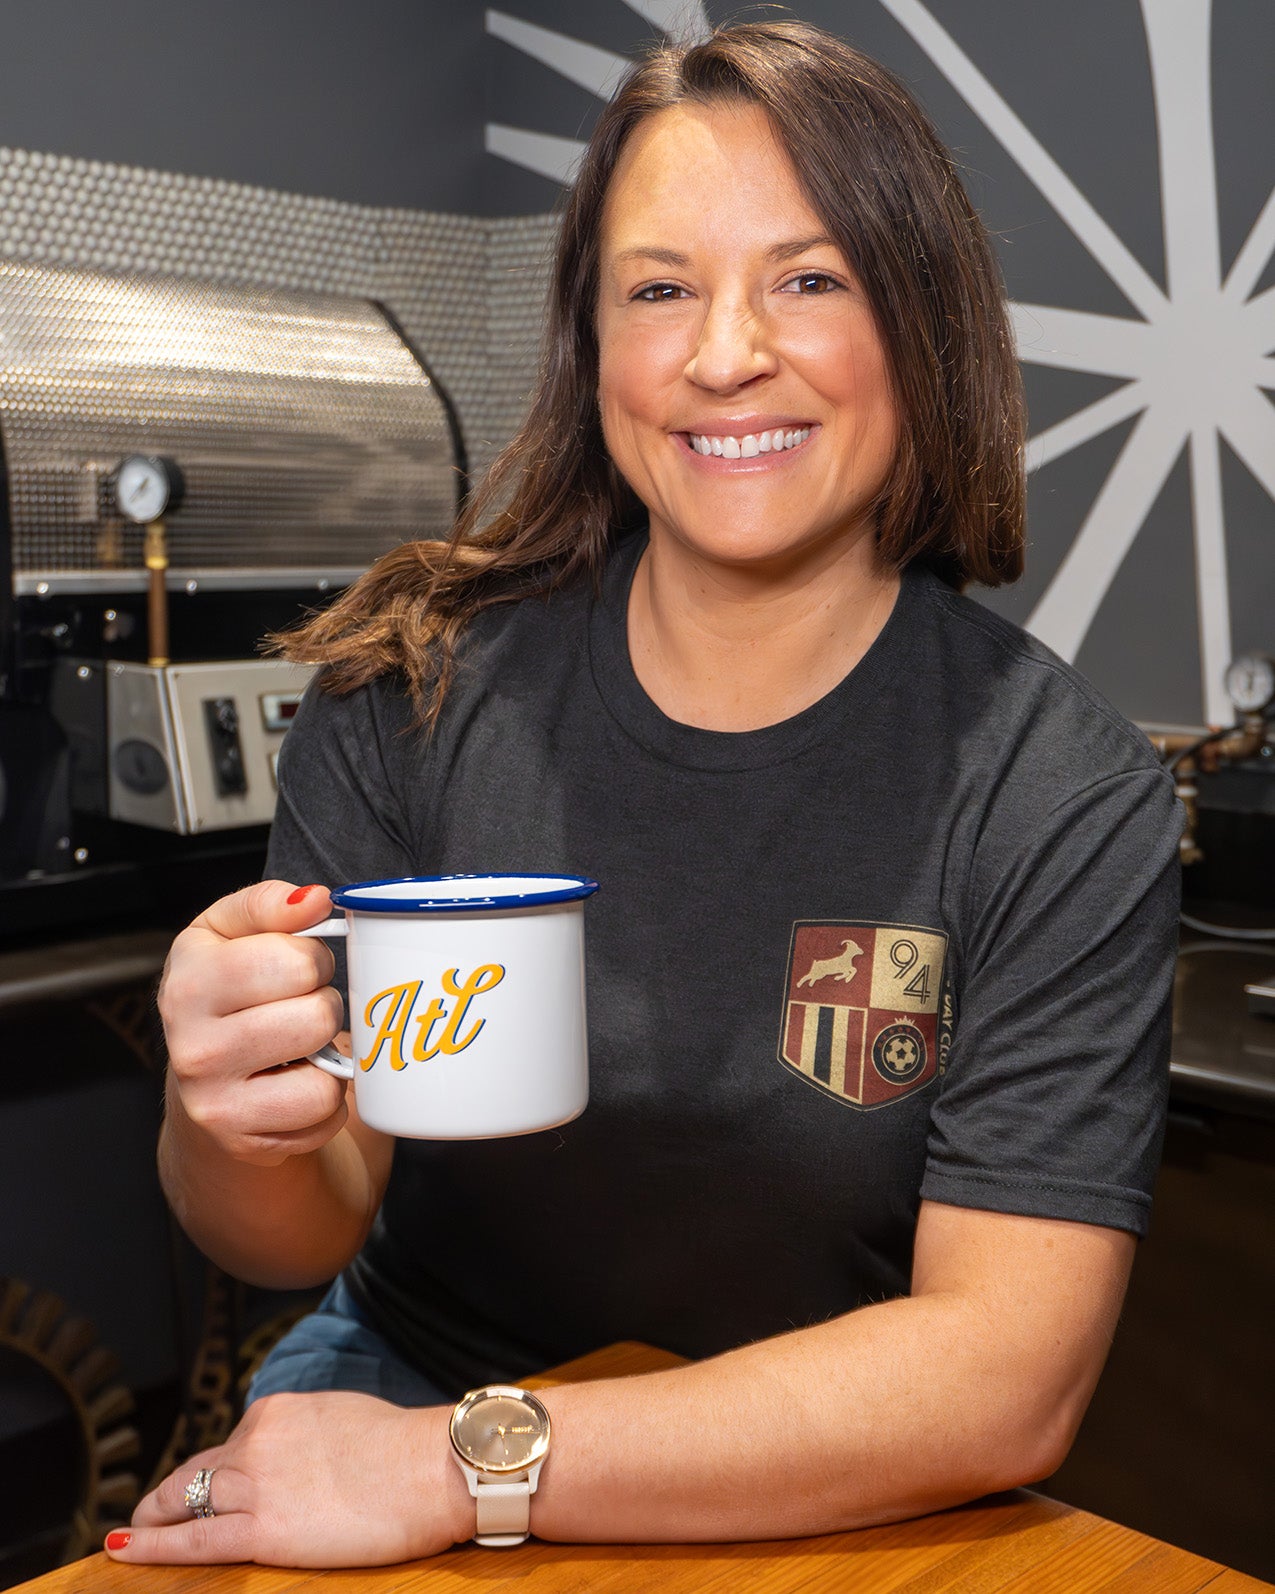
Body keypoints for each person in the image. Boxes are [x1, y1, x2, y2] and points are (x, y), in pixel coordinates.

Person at [106, 20, 1181, 1569]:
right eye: (659, 288)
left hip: (803, 1453)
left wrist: (463, 1467)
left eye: (810, 279)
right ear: (593, 343)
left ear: (921, 322)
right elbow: (298, 1221)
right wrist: (226, 1121)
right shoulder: (409, 688)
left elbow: (1002, 1375)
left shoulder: (1060, 790)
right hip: (406, 1384)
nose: (723, 350)